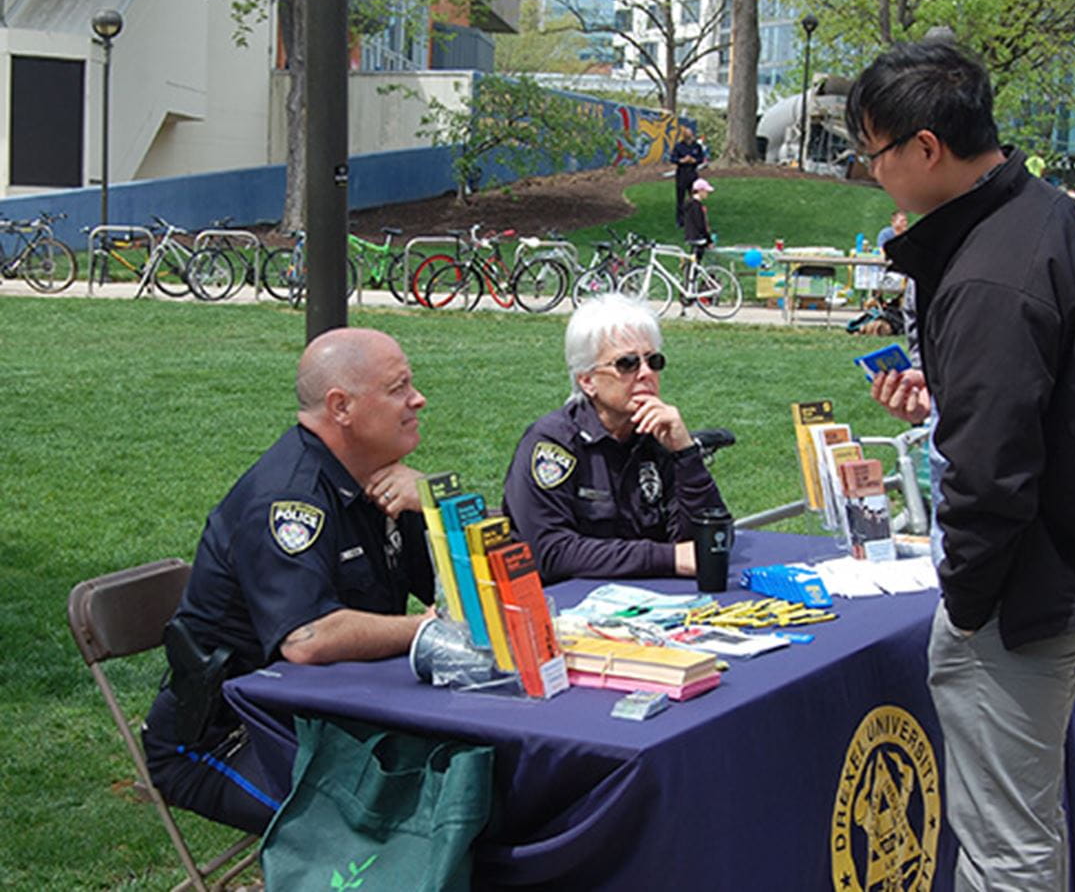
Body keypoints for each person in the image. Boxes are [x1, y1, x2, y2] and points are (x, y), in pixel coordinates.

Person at [847, 40, 1075, 891]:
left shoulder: (991, 274)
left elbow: (992, 475)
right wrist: (950, 394)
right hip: (1057, 574)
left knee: (1004, 850)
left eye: (874, 153)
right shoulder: (1036, 216)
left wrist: (965, 604)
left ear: (926, 148)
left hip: (1020, 594)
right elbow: (1027, 401)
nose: (872, 173)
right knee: (1024, 828)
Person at [143, 328, 436, 835]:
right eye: (398, 387)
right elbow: (307, 638)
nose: (418, 399)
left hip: (334, 713)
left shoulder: (380, 478)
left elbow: (484, 583)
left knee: (470, 778)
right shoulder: (287, 500)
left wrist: (440, 501)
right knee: (399, 825)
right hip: (230, 736)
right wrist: (428, 630)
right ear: (341, 407)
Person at [502, 293, 727, 584]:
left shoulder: (656, 434)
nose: (646, 373)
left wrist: (685, 453)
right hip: (565, 602)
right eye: (627, 364)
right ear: (587, 381)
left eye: (653, 361)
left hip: (649, 597)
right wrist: (666, 558)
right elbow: (550, 552)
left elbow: (710, 541)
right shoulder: (553, 444)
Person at [670, 124, 706, 228]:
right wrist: (682, 160)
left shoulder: (697, 146)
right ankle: (680, 220)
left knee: (694, 197)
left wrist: (694, 160)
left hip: (693, 172)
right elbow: (673, 159)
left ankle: (694, 219)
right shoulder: (679, 146)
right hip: (682, 173)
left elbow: (701, 158)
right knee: (680, 198)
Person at [682, 177, 714, 263]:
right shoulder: (697, 206)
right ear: (700, 191)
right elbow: (701, 225)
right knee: (697, 261)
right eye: (706, 191)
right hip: (698, 238)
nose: (707, 194)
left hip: (690, 236)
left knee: (692, 261)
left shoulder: (689, 204)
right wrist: (709, 240)